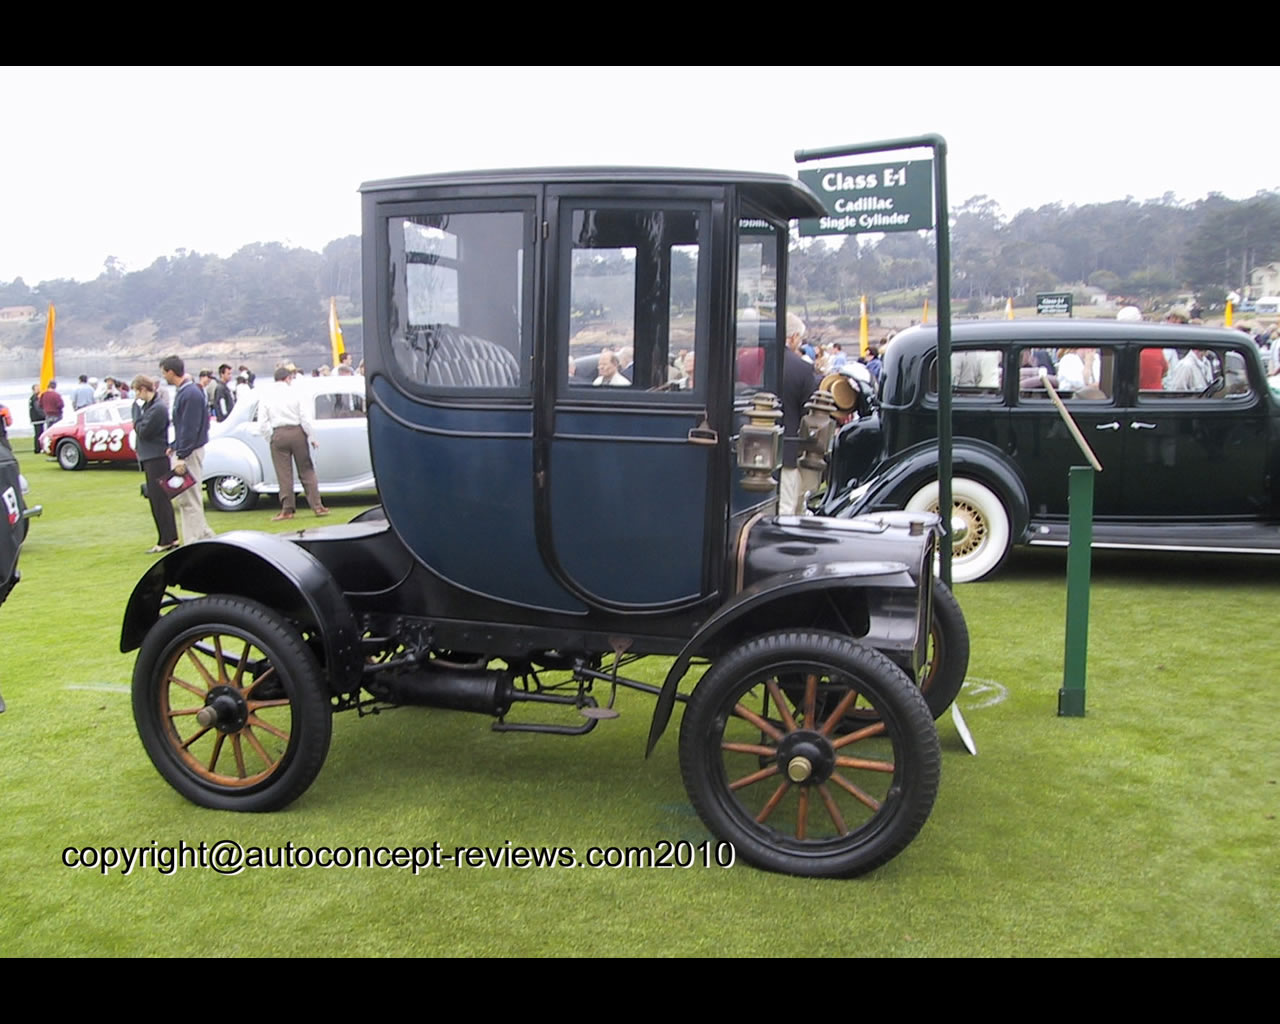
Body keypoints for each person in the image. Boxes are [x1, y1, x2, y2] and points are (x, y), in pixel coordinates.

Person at [257, 366, 329, 521]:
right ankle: (317, 506)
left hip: (278, 433)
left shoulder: (266, 395)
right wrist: (311, 436)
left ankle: (287, 509)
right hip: (297, 432)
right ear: (288, 378)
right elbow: (305, 418)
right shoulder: (296, 393)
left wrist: (271, 437)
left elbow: (262, 423)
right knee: (306, 470)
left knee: (284, 474)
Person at [160, 355, 216, 544]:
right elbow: (183, 425)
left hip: (189, 452)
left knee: (188, 498)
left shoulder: (190, 393)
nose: (163, 377)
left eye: (164, 372)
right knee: (189, 497)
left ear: (170, 371)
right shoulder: (188, 391)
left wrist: (181, 454)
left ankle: (194, 540)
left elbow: (190, 427)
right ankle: (203, 533)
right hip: (186, 448)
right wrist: (175, 445)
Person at [131, 375, 179, 553]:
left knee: (160, 500)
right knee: (159, 500)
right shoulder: (152, 407)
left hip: (156, 458)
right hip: (152, 457)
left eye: (137, 391)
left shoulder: (157, 408)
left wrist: (135, 415)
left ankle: (167, 539)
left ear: (144, 389)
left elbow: (143, 431)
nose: (136, 395)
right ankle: (168, 537)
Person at [780, 312, 821, 515]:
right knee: (786, 509)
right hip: (787, 449)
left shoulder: (745, 361)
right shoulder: (802, 369)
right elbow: (809, 412)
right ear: (794, 337)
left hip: (747, 448)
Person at [28, 384, 44, 454]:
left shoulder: (32, 398)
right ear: (34, 390)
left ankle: (38, 448)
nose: (39, 389)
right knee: (39, 433)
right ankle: (38, 449)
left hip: (35, 419)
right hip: (37, 419)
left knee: (38, 433)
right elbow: (38, 408)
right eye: (37, 388)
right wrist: (44, 415)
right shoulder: (35, 398)